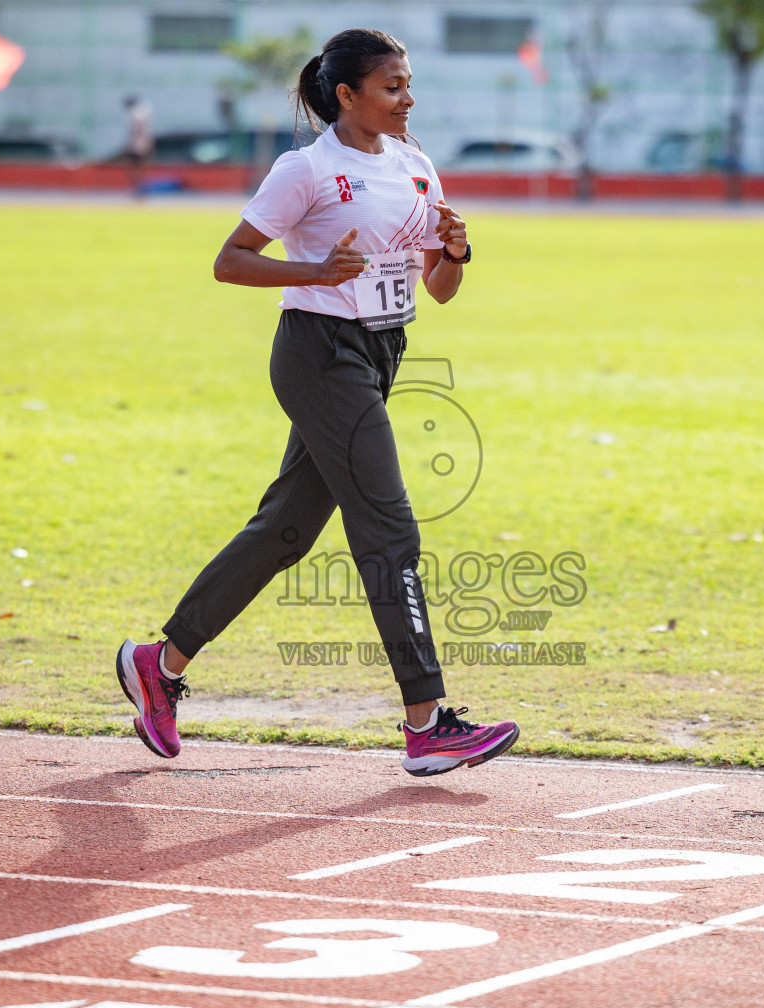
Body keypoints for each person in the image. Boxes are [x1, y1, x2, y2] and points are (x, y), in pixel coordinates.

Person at [115, 28, 520, 778]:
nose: (407, 98)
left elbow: (436, 287)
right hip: (317, 353)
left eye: (408, 85)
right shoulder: (305, 170)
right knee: (390, 528)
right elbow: (229, 262)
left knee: (287, 531)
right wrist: (314, 269)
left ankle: (157, 662)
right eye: (392, 86)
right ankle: (427, 723)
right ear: (347, 95)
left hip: (380, 352)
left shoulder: (415, 164)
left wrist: (457, 254)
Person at [123, 94, 153, 194]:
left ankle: (138, 187)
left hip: (138, 144)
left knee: (136, 167)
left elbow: (137, 130)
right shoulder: (143, 112)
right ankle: (139, 187)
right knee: (140, 166)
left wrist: (131, 144)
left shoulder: (137, 114)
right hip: (142, 143)